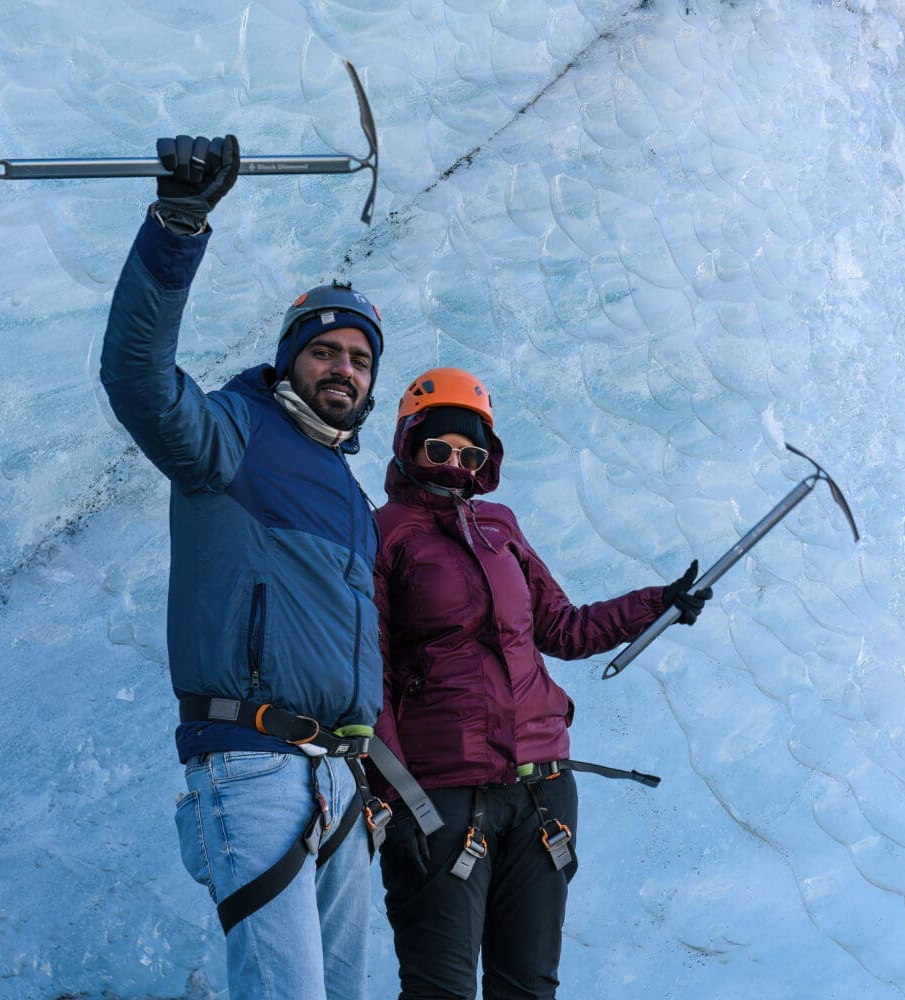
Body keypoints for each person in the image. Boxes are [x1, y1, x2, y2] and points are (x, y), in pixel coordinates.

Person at [99, 134, 386, 1000]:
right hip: (253, 762)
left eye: (361, 359)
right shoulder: (237, 431)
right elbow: (138, 380)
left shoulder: (349, 493)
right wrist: (177, 226)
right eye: (326, 350)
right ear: (290, 356)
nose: (344, 369)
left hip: (339, 781)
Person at [372, 367, 712, 999]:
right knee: (439, 991)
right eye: (439, 449)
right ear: (408, 442)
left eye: (471, 454)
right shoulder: (382, 534)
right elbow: (373, 672)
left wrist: (658, 604)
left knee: (528, 988)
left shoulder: (499, 526)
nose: (454, 465)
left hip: (542, 794)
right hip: (440, 798)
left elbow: (563, 628)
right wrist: (396, 799)